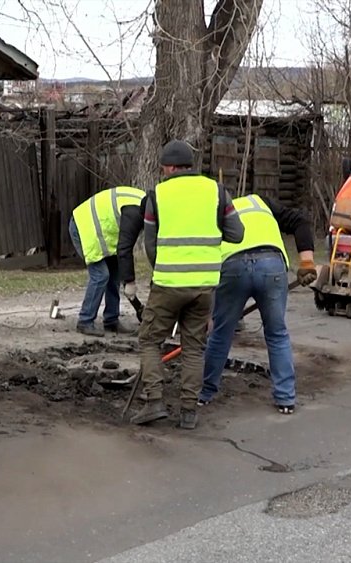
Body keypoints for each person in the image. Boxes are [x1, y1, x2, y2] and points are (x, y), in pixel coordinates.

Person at [118, 139, 244, 429]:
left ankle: (154, 402)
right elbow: (236, 234)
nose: (162, 173)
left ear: (172, 167)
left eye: (163, 168)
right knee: (194, 347)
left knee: (150, 340)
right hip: (204, 285)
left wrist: (163, 267)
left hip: (169, 282)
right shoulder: (217, 192)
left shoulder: (158, 195)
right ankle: (188, 411)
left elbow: (150, 243)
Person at [198, 193, 318, 414]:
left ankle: (205, 394)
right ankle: (285, 399)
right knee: (276, 333)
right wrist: (307, 262)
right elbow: (300, 221)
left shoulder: (217, 210)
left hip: (232, 267)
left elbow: (204, 255)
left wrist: (207, 309)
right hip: (271, 266)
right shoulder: (261, 203)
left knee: (221, 334)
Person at [68, 186, 147, 337]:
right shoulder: (134, 212)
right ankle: (85, 321)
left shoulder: (142, 202)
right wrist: (130, 282)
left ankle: (111, 320)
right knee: (101, 275)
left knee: (114, 274)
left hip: (101, 233)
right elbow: (125, 248)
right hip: (84, 228)